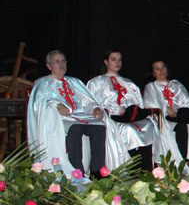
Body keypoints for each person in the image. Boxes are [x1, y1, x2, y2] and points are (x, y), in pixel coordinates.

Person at [27, 50, 125, 178]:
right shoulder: (43, 83)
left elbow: (87, 101)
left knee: (100, 126)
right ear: (49, 65)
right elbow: (39, 103)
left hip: (82, 116)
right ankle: (77, 171)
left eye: (63, 61)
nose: (61, 64)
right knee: (76, 128)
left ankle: (97, 171)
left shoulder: (75, 82)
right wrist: (56, 105)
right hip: (61, 119)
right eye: (57, 62)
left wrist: (94, 108)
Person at [87, 50, 158, 171]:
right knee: (128, 130)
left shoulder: (128, 83)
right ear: (106, 62)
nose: (117, 62)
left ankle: (146, 167)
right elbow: (91, 102)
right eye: (113, 59)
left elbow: (138, 101)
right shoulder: (96, 82)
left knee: (149, 124)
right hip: (111, 117)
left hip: (131, 117)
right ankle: (131, 168)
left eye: (119, 59)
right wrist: (115, 110)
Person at [143, 60, 189, 172]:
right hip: (165, 119)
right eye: (157, 69)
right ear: (153, 73)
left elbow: (188, 101)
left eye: (163, 67)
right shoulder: (151, 87)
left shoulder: (176, 84)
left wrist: (181, 110)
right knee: (181, 126)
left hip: (181, 115)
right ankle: (185, 161)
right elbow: (149, 104)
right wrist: (166, 109)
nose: (161, 71)